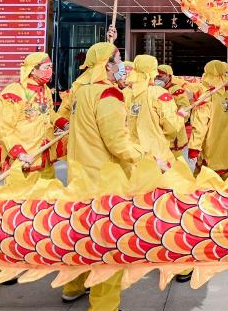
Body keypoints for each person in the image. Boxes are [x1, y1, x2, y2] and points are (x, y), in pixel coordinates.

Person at [62, 42, 141, 309]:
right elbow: (117, 142)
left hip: (80, 175)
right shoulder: (108, 95)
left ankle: (73, 286)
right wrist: (145, 158)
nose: (122, 65)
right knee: (108, 245)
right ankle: (105, 305)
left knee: (80, 238)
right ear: (107, 65)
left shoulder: (81, 91)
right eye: (118, 59)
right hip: (104, 180)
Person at [0, 52, 68, 179]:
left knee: (47, 197)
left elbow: (48, 112)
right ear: (33, 70)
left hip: (45, 158)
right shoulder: (13, 93)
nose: (50, 71)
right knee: (22, 198)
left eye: (51, 67)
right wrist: (20, 154)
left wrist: (63, 123)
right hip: (24, 161)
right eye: (46, 68)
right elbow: (5, 130)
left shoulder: (45, 89)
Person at [188, 61, 228, 178]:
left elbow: (200, 125)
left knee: (207, 189)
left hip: (214, 154)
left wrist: (194, 147)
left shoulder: (207, 98)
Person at [125, 55, 186, 165]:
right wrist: (180, 116)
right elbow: (171, 126)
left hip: (131, 154)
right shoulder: (159, 93)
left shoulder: (125, 93)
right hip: (156, 155)